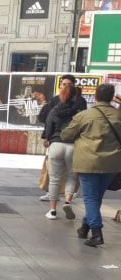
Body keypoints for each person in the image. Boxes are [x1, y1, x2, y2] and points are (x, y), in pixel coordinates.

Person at [60, 84, 121, 247]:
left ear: (95, 96)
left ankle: (96, 232)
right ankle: (85, 227)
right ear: (111, 96)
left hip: (89, 162)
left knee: (90, 197)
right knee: (96, 197)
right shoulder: (118, 115)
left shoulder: (85, 115)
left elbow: (66, 134)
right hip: (112, 163)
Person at [42, 79, 82, 220]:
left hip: (56, 144)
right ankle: (67, 201)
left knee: (54, 179)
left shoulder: (55, 109)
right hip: (72, 145)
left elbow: (48, 126)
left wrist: (47, 139)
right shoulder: (79, 111)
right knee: (72, 176)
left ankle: (52, 211)